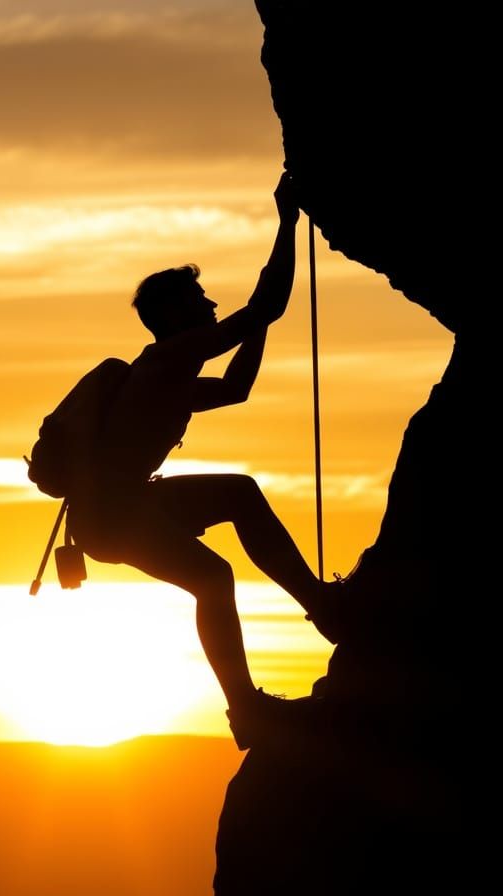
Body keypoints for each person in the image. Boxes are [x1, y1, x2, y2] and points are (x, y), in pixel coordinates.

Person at [68, 171, 345, 749]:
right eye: (199, 299)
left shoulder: (166, 371)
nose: (212, 303)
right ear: (173, 316)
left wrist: (258, 325)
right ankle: (249, 704)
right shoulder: (170, 358)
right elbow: (266, 303)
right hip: (115, 512)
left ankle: (315, 608)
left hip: (120, 506)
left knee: (238, 497)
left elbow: (237, 386)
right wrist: (287, 223)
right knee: (213, 577)